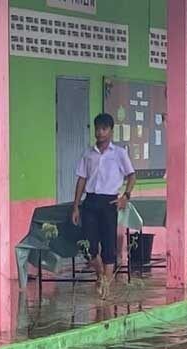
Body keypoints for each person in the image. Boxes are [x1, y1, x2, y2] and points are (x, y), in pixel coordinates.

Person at [71, 113, 136, 299]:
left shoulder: (119, 153)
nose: (100, 132)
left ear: (111, 131)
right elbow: (81, 179)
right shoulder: (88, 153)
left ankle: (105, 289)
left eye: (104, 129)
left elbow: (131, 175)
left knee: (109, 246)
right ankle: (100, 274)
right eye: (97, 128)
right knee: (87, 245)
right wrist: (76, 206)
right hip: (90, 201)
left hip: (109, 202)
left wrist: (126, 196)